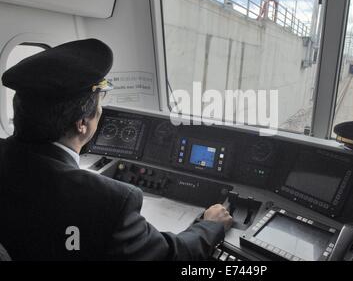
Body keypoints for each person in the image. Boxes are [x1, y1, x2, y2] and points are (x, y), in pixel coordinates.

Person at [0, 39, 232, 260]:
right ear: (82, 123)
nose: (100, 109)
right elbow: (171, 255)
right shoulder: (108, 201)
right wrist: (210, 226)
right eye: (100, 100)